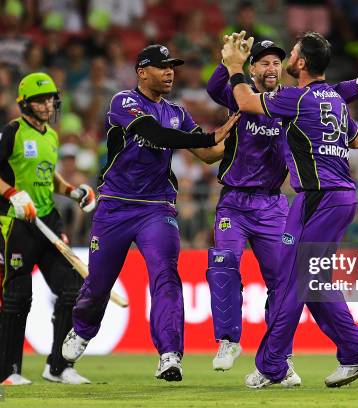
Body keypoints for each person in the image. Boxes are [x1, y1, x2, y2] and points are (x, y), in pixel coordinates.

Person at [205, 37, 358, 379]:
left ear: (301, 64)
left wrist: (234, 66)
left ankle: (272, 364)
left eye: (291, 53)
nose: (286, 58)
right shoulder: (334, 99)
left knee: (296, 278)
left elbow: (247, 101)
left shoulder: (294, 98)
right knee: (309, 280)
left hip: (320, 198)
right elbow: (353, 138)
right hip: (317, 200)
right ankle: (355, 353)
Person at [61, 44, 240, 382]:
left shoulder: (178, 112)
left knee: (166, 275)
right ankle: (82, 330)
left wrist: (236, 136)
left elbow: (207, 154)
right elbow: (149, 133)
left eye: (172, 66)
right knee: (98, 285)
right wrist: (207, 137)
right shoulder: (123, 102)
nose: (169, 71)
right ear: (142, 72)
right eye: (161, 66)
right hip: (114, 205)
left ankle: (170, 355)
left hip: (156, 207)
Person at [0, 72, 96, 385]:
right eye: (40, 99)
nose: (47, 103)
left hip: (47, 220)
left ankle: (58, 366)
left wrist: (73, 192)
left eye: (50, 97)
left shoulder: (51, 136)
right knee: (17, 298)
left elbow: (48, 175)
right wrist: (11, 194)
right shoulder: (12, 131)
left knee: (72, 290)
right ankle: (7, 373)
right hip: (17, 224)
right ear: (24, 102)